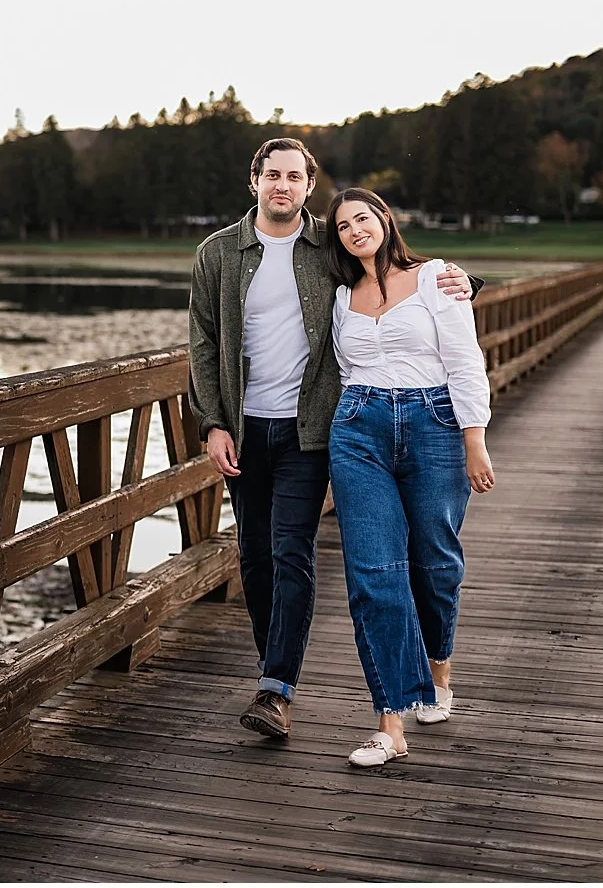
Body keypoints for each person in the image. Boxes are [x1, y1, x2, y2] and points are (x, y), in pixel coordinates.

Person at [188, 139, 473, 741]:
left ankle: (276, 688)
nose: (282, 186)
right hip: (243, 427)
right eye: (272, 175)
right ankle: (274, 666)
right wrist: (212, 422)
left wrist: (464, 281)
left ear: (309, 186)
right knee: (255, 556)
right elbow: (203, 344)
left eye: (295, 176)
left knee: (292, 548)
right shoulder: (217, 255)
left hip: (310, 429)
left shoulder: (328, 245)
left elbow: (397, 279)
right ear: (254, 181)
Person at [322, 186, 496, 769]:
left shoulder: (436, 278)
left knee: (435, 561)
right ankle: (389, 723)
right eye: (343, 226)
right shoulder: (340, 294)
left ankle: (438, 670)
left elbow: (464, 358)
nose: (354, 231)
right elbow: (341, 366)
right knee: (374, 573)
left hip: (435, 426)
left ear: (384, 220)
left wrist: (475, 438)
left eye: (362, 218)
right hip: (358, 427)